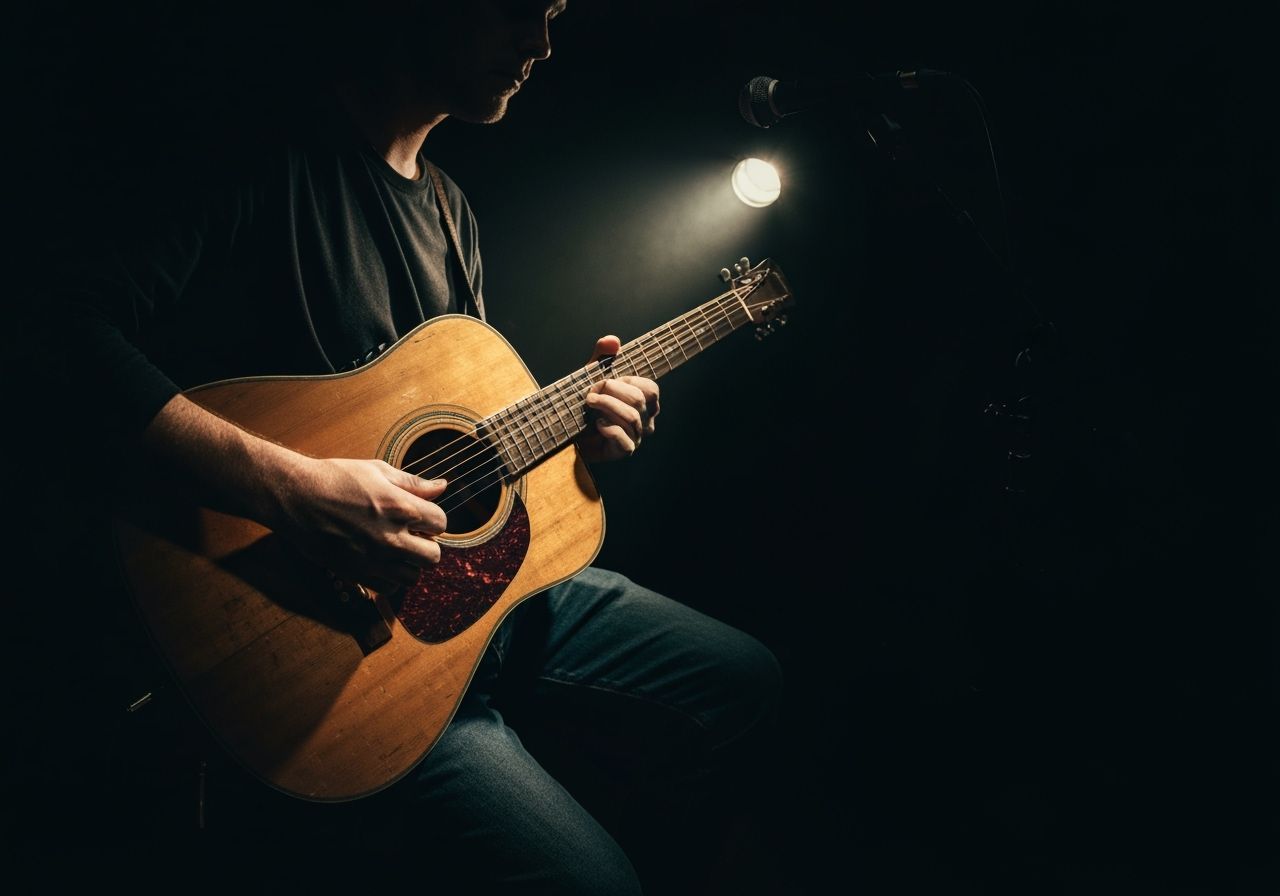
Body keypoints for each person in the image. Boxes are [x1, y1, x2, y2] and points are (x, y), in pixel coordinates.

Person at [13, 2, 783, 891]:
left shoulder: (451, 212)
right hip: (347, 658)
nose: (539, 46)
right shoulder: (255, 151)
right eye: (517, 10)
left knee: (747, 680)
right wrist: (293, 490)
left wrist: (581, 439)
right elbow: (53, 332)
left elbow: (461, 460)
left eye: (554, 15)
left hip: (477, 609)